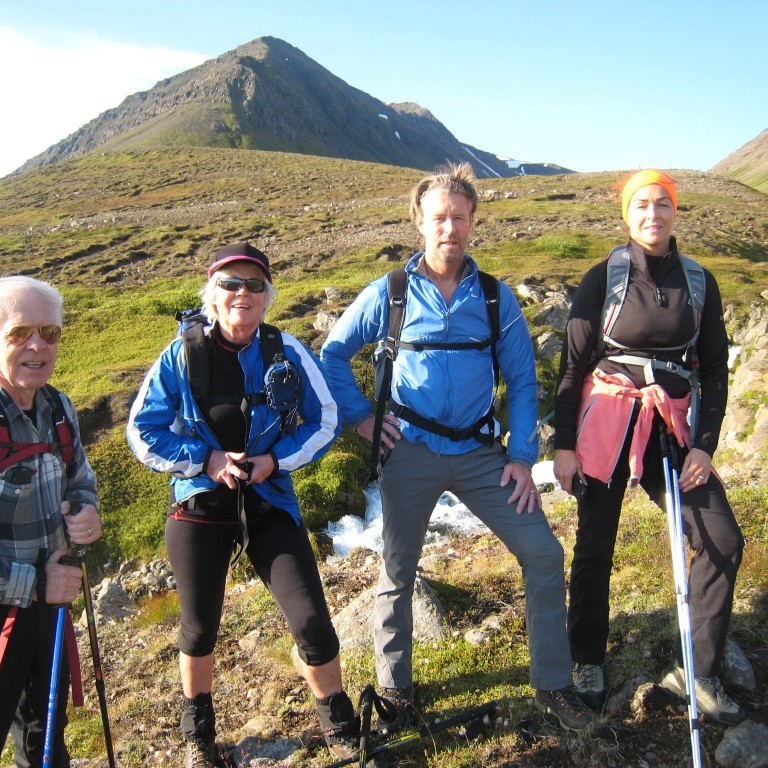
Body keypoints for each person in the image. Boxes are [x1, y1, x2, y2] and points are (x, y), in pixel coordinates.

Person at [320, 163, 594, 733]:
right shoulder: (389, 293)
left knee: (543, 553)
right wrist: (363, 422)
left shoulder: (494, 299)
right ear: (420, 222)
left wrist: (521, 457)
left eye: (460, 217)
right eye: (439, 218)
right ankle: (396, 695)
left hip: (480, 455)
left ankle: (554, 684)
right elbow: (333, 354)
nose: (450, 228)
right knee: (397, 571)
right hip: (410, 452)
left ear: (473, 223)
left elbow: (522, 381)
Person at [126, 242, 359, 767]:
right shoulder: (182, 353)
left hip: (269, 503)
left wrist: (273, 463)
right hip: (200, 506)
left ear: (267, 296)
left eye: (254, 285)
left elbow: (324, 419)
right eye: (231, 284)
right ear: (212, 293)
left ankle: (338, 721)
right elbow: (142, 431)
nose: (242, 294)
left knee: (312, 622)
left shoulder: (286, 350)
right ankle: (198, 735)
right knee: (199, 626)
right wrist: (203, 460)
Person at [554, 170, 745, 723]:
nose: (653, 214)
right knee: (594, 546)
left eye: (663, 203)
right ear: (626, 213)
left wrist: (704, 448)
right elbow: (572, 368)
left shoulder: (698, 281)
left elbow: (714, 368)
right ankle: (586, 658)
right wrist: (563, 447)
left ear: (676, 212)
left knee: (722, 540)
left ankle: (700, 671)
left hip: (671, 428)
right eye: (642, 204)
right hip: (608, 423)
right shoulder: (604, 277)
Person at [0, 276, 102, 768]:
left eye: (50, 332)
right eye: (20, 333)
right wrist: (37, 583)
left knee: (44, 740)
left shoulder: (57, 406)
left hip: (47, 612)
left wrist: (86, 511)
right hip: (18, 604)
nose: (38, 345)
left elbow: (79, 476)